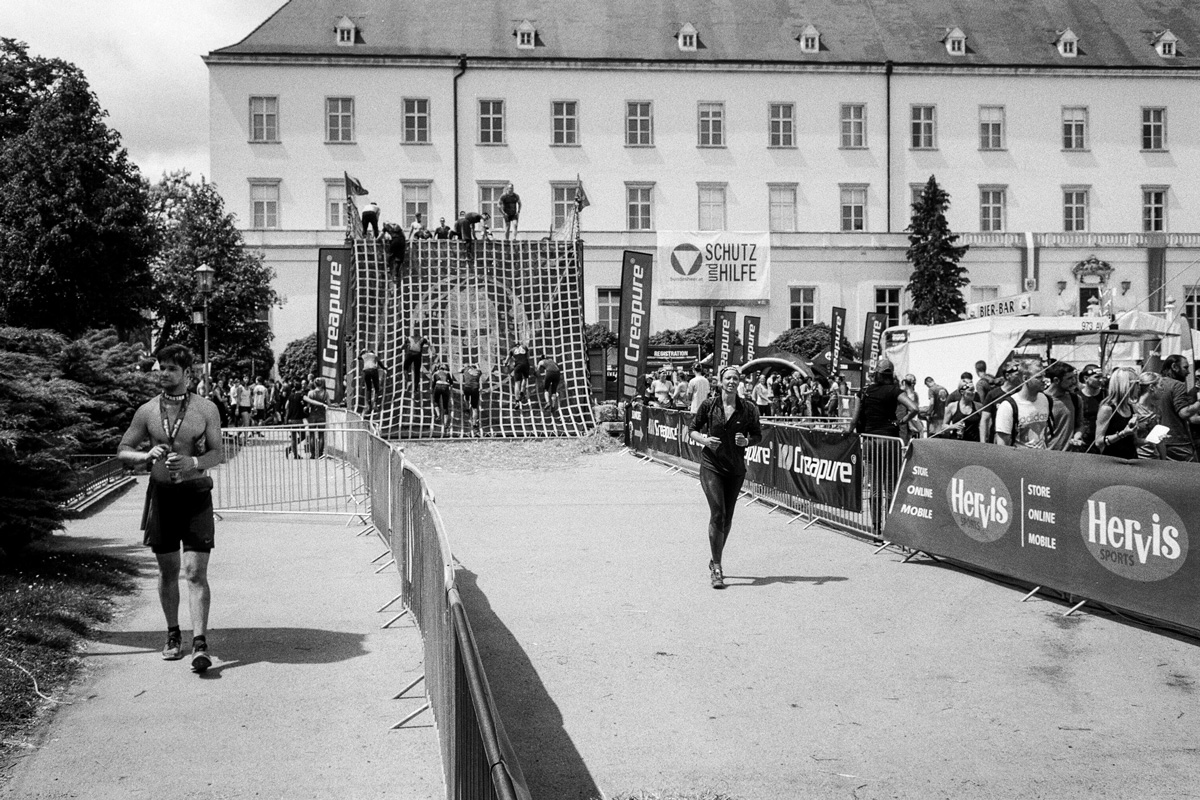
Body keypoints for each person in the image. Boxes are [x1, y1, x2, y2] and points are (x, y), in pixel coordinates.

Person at [117, 344, 223, 673]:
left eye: (172, 368)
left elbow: (217, 453)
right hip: (162, 497)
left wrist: (193, 462)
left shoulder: (206, 409)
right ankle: (173, 633)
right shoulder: (147, 410)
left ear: (188, 374)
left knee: (195, 572)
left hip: (195, 496)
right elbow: (123, 450)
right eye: (161, 367)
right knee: (168, 572)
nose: (164, 373)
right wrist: (144, 456)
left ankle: (200, 643)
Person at [687, 365, 763, 590]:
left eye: (735, 379)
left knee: (727, 518)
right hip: (712, 465)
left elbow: (757, 434)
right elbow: (692, 429)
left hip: (735, 469)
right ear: (720, 381)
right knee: (718, 513)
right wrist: (705, 440)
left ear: (739, 382)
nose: (731, 382)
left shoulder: (748, 408)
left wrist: (747, 441)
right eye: (728, 378)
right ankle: (718, 568)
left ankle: (714, 558)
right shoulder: (709, 405)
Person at [849, 357, 918, 537]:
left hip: (871, 441)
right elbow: (914, 409)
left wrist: (847, 432)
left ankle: (876, 528)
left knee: (874, 487)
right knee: (891, 487)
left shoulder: (864, 391)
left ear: (876, 374)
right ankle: (890, 528)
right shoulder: (894, 390)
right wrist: (901, 421)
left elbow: (854, 419)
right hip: (890, 441)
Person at [994, 359, 1052, 449]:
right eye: (1039, 377)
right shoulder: (1008, 406)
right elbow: (1002, 446)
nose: (1044, 380)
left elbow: (1044, 434)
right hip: (1018, 456)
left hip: (1041, 456)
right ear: (1025, 379)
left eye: (1044, 375)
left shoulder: (1045, 399)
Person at [1154, 354, 1198, 461]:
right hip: (1178, 442)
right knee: (1192, 471)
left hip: (1158, 440)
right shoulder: (1177, 385)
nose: (1188, 372)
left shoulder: (1156, 385)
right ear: (1174, 367)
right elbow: (1184, 413)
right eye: (1185, 368)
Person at [1094, 367, 1139, 459]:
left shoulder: (1131, 407)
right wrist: (1122, 434)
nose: (1138, 387)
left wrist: (1152, 440)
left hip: (1131, 459)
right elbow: (1098, 442)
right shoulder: (1107, 409)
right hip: (1112, 460)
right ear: (1127, 385)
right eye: (1136, 383)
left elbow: (1134, 441)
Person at [1043, 361, 1083, 451]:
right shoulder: (1041, 399)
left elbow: (1079, 425)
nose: (1074, 381)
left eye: (1074, 377)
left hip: (1069, 455)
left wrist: (1077, 437)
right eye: (1069, 378)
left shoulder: (1076, 399)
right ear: (1056, 380)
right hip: (1046, 455)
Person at [980, 361, 1021, 444]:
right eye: (1017, 375)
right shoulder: (993, 394)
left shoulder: (1020, 394)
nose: (1021, 377)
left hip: (1017, 440)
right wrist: (983, 442)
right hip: (998, 439)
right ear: (1007, 375)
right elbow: (984, 419)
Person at [1134, 372, 1164, 460]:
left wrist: (1164, 460)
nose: (1163, 389)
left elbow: (1160, 441)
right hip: (1138, 458)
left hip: (1155, 458)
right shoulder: (1134, 409)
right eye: (1161, 385)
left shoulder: (1157, 410)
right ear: (1151, 387)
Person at [944, 372, 980, 442]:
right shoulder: (952, 405)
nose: (973, 393)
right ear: (962, 392)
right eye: (970, 390)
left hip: (974, 444)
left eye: (973, 390)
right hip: (957, 443)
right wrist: (954, 426)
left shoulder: (978, 406)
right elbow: (943, 426)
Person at [1076, 364, 1106, 447]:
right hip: (1084, 440)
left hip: (1102, 439)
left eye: (1101, 377)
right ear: (1086, 378)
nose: (1100, 380)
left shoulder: (1106, 395)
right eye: (1097, 377)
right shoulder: (1077, 397)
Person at [303, 380, 329, 458]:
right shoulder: (325, 393)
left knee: (312, 434)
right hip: (322, 415)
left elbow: (308, 405)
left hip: (312, 415)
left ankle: (313, 454)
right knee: (321, 434)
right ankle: (320, 453)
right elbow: (329, 403)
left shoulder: (311, 393)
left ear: (315, 384)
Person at [402, 332, 431, 397]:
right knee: (417, 372)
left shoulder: (409, 338)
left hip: (410, 354)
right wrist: (427, 339)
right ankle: (416, 389)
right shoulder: (422, 339)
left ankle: (407, 381)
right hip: (417, 356)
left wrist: (403, 345)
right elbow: (429, 343)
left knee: (405, 368)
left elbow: (403, 347)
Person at [507, 339, 534, 405]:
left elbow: (507, 359)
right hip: (525, 364)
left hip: (518, 366)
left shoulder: (512, 350)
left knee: (517, 383)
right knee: (525, 378)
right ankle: (522, 393)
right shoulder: (524, 347)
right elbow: (528, 357)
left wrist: (505, 363)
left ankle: (517, 401)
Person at [460, 361, 484, 434]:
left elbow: (459, 370)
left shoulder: (466, 370)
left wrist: (465, 366)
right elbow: (480, 371)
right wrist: (478, 366)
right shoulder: (478, 372)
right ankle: (474, 424)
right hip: (475, 389)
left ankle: (467, 408)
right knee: (474, 408)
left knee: (465, 398)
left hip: (467, 387)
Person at [284, 381, 307, 457]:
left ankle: (295, 454)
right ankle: (290, 449)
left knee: (293, 437)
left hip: (291, 419)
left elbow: (286, 406)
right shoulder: (301, 396)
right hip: (298, 419)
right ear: (301, 388)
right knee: (303, 435)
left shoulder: (291, 396)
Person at [430, 362, 456, 429]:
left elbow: (433, 383)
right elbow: (451, 383)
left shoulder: (435, 373)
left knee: (436, 401)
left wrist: (432, 390)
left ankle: (438, 414)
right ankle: (445, 424)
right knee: (445, 406)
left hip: (438, 386)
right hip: (445, 387)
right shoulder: (447, 373)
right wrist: (449, 388)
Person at [360, 346, 386, 413]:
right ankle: (375, 403)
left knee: (368, 388)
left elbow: (358, 357)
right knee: (376, 388)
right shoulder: (374, 355)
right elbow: (380, 363)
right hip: (373, 370)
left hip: (366, 371)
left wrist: (362, 352)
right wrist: (384, 368)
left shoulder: (364, 355)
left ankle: (369, 405)